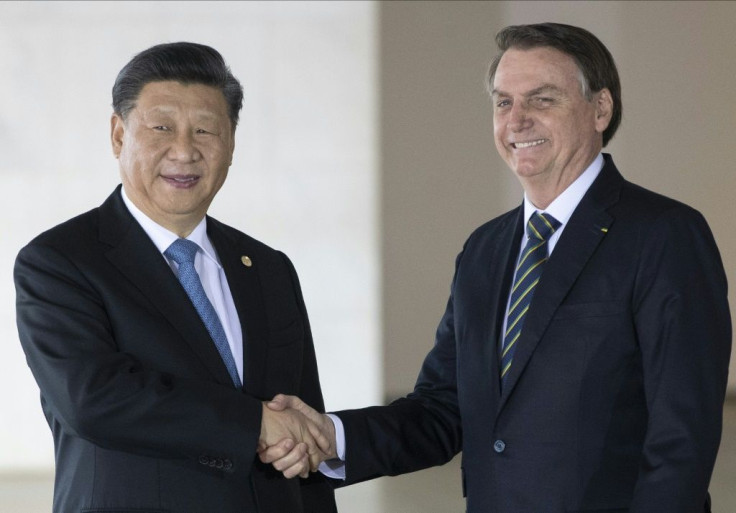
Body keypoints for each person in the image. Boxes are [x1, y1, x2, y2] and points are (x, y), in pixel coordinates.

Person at [260, 22, 732, 513]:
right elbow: (443, 410)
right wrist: (330, 435)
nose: (517, 120)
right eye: (504, 102)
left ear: (600, 109)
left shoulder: (664, 235)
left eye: (542, 99)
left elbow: (683, 437)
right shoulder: (485, 249)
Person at [15, 42, 336, 513]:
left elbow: (303, 432)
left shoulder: (268, 268)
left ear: (230, 144)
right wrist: (253, 424)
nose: (184, 151)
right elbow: (94, 399)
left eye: (205, 130)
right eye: (161, 127)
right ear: (119, 135)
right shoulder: (60, 261)